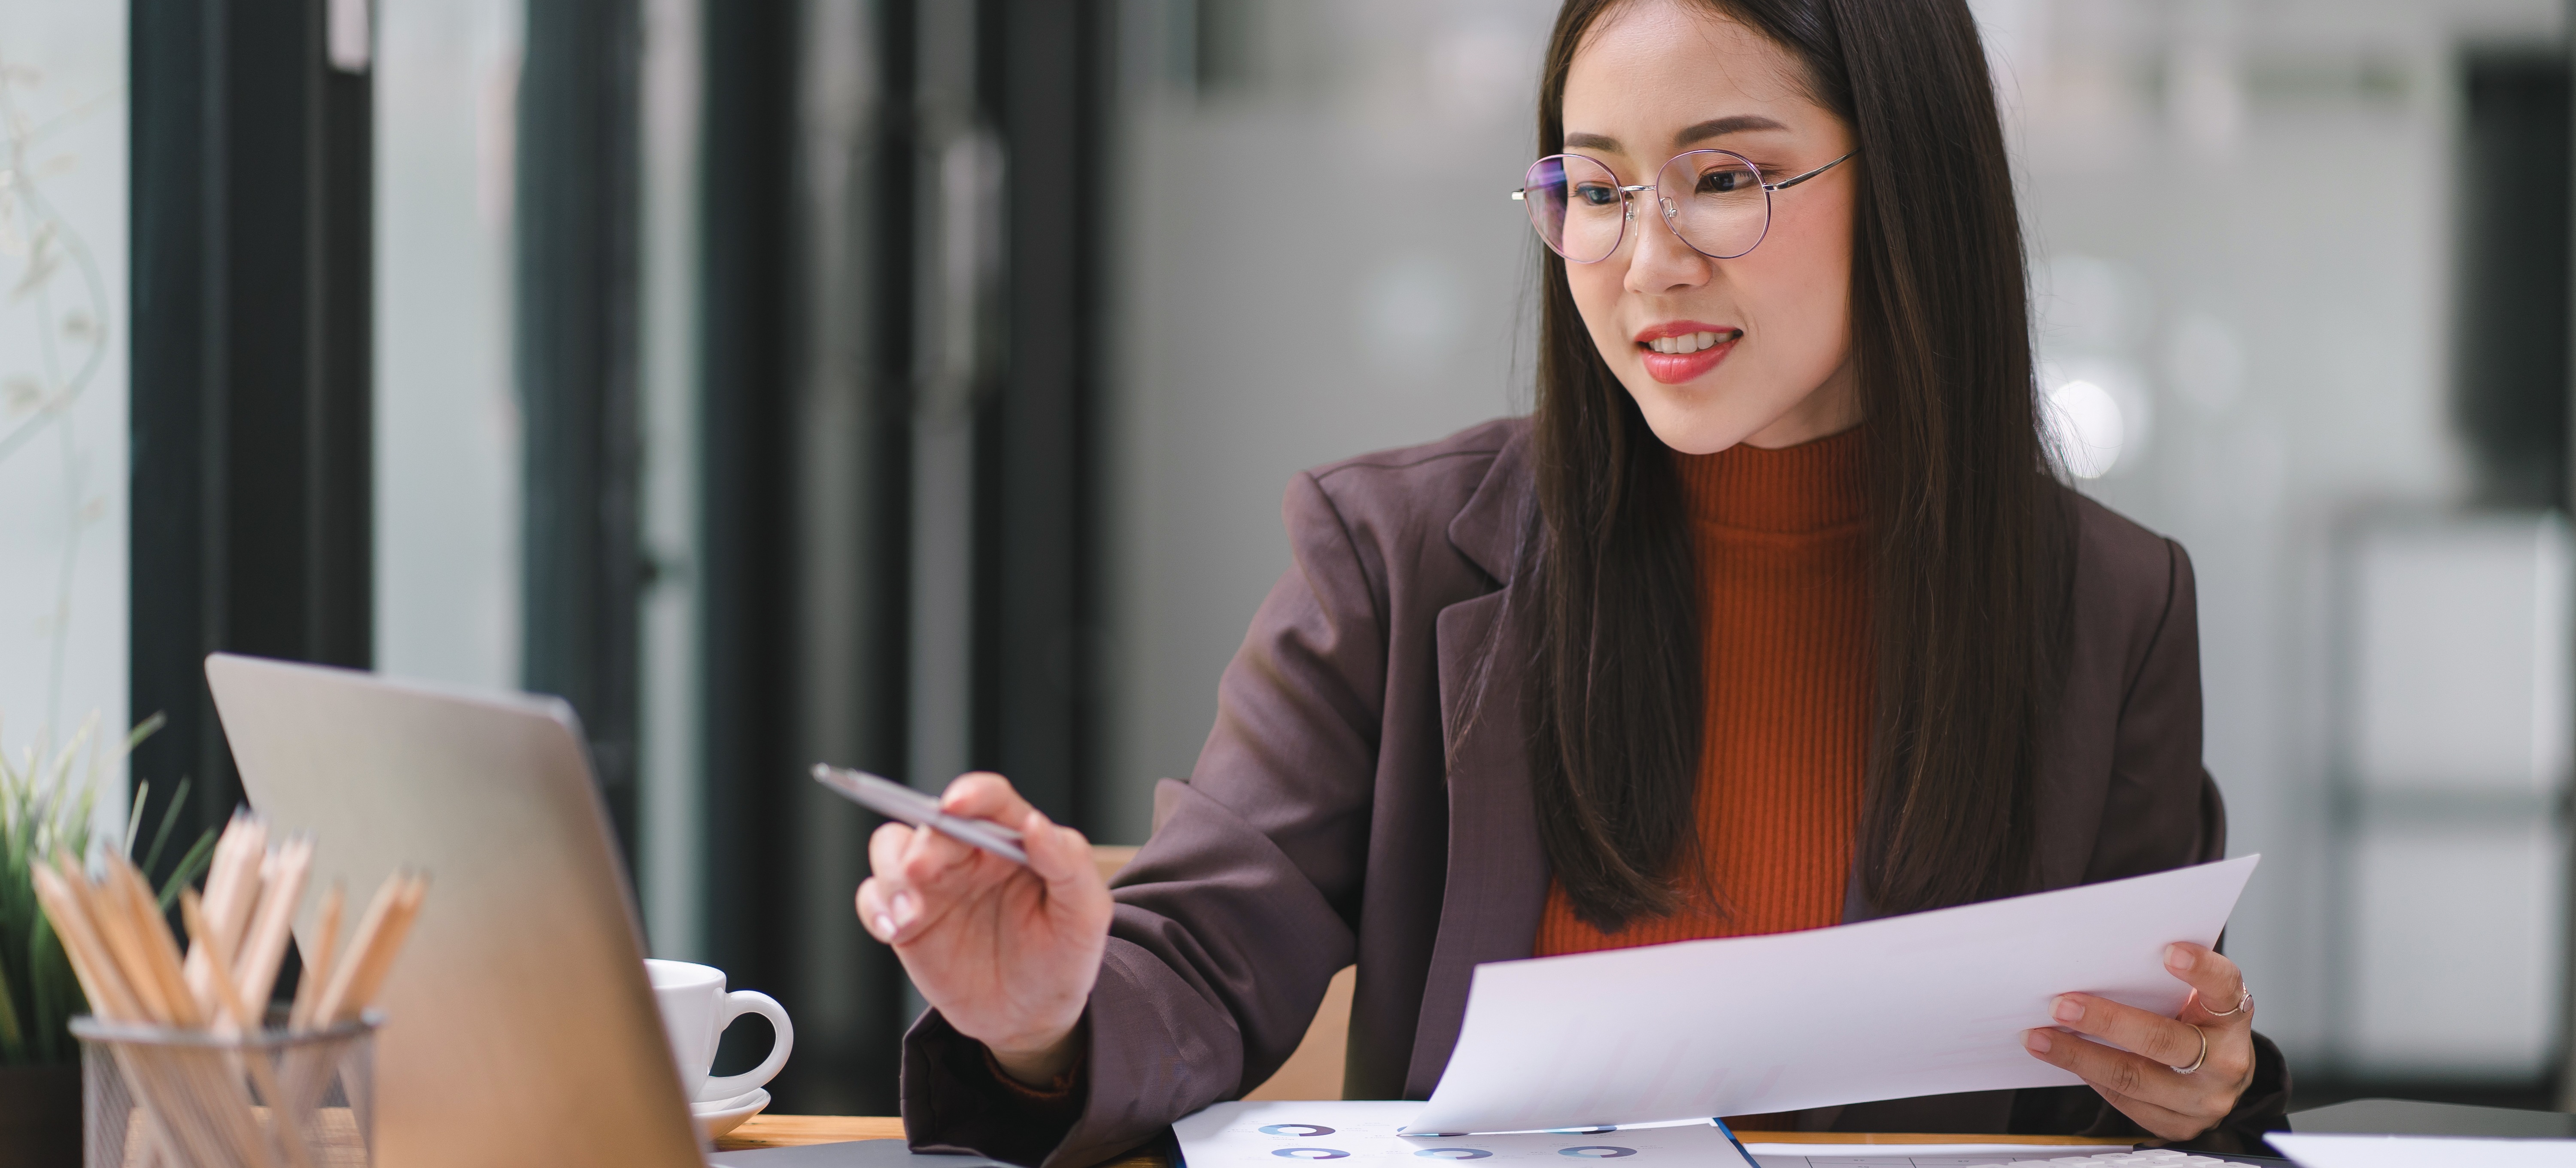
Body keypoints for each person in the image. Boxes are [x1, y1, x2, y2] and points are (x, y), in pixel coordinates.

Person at [857, 1, 2289, 1164]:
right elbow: (1208, 958)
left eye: (1724, 179)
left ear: (1909, 181)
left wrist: (2196, 1080)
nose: (1644, 260)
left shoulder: (2110, 606)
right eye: (1595, 188)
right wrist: (1045, 1021)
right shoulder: (1403, 559)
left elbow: (2112, 1093)